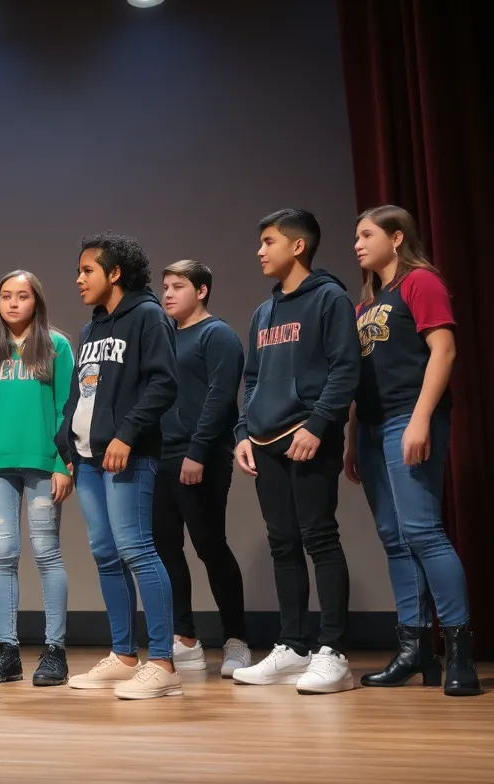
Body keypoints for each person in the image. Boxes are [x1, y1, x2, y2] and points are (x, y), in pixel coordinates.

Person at [346, 205, 478, 695]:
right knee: (394, 538)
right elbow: (363, 374)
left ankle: (459, 649)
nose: (357, 244)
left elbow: (443, 350)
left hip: (409, 416)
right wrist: (353, 435)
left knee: (422, 531)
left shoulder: (420, 283)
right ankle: (414, 648)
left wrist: (421, 417)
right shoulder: (367, 304)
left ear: (397, 237)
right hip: (373, 426)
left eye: (366, 234)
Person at [231, 209, 360, 694]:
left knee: (319, 538)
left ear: (298, 246)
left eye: (268, 241)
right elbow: (252, 379)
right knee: (282, 544)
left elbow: (346, 369)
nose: (261, 251)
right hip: (264, 443)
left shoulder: (330, 299)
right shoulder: (264, 312)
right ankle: (292, 646)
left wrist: (319, 424)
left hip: (309, 439)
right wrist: (243, 432)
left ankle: (334, 652)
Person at [56, 233, 182, 701]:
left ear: (114, 274)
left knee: (137, 549)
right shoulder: (91, 329)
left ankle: (164, 663)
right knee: (105, 553)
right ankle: (124, 655)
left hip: (129, 453)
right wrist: (66, 444)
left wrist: (127, 434)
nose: (79, 279)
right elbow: (81, 394)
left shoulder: (148, 316)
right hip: (88, 459)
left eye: (87, 270)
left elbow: (163, 384)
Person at [0, 270, 74, 687]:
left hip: (45, 465)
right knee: (3, 552)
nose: (13, 303)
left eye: (22, 296)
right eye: (6, 296)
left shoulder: (57, 346)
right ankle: (8, 650)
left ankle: (55, 651)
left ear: (36, 302)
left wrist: (65, 465)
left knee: (46, 552)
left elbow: (68, 407)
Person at [154, 260, 251, 677]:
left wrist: (197, 452)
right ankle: (185, 637)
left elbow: (220, 398)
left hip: (201, 456)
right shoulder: (164, 338)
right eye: (165, 287)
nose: (169, 294)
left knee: (210, 546)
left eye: (178, 286)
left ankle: (236, 641)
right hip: (160, 456)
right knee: (165, 549)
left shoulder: (218, 335)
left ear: (202, 290)